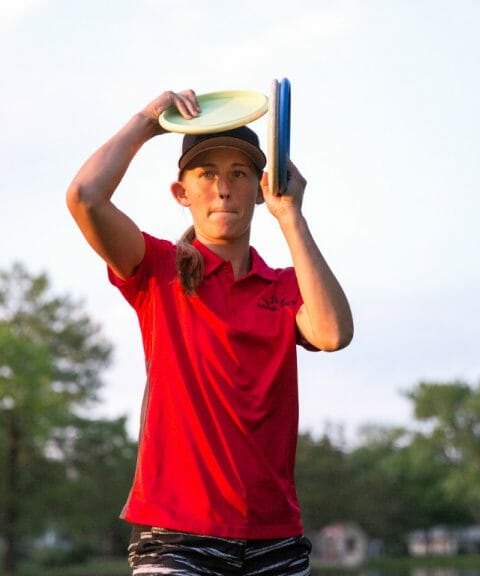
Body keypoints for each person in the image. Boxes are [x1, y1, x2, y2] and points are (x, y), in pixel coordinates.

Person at [66, 90, 354, 576]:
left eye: (239, 174)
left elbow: (332, 333)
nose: (223, 188)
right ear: (182, 193)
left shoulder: (286, 287)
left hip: (275, 541)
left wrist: (291, 215)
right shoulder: (158, 269)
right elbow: (85, 197)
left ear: (258, 189)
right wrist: (146, 122)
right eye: (206, 174)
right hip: (176, 538)